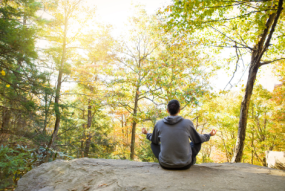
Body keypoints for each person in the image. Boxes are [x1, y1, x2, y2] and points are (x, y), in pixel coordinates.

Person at [142, 99, 217, 170]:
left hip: (165, 165)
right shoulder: (187, 123)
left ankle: (167, 160)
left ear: (167, 110)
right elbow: (198, 139)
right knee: (197, 142)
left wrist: (147, 133)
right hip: (185, 165)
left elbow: (154, 140)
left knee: (153, 143)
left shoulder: (159, 124)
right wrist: (209, 135)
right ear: (179, 110)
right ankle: (191, 160)